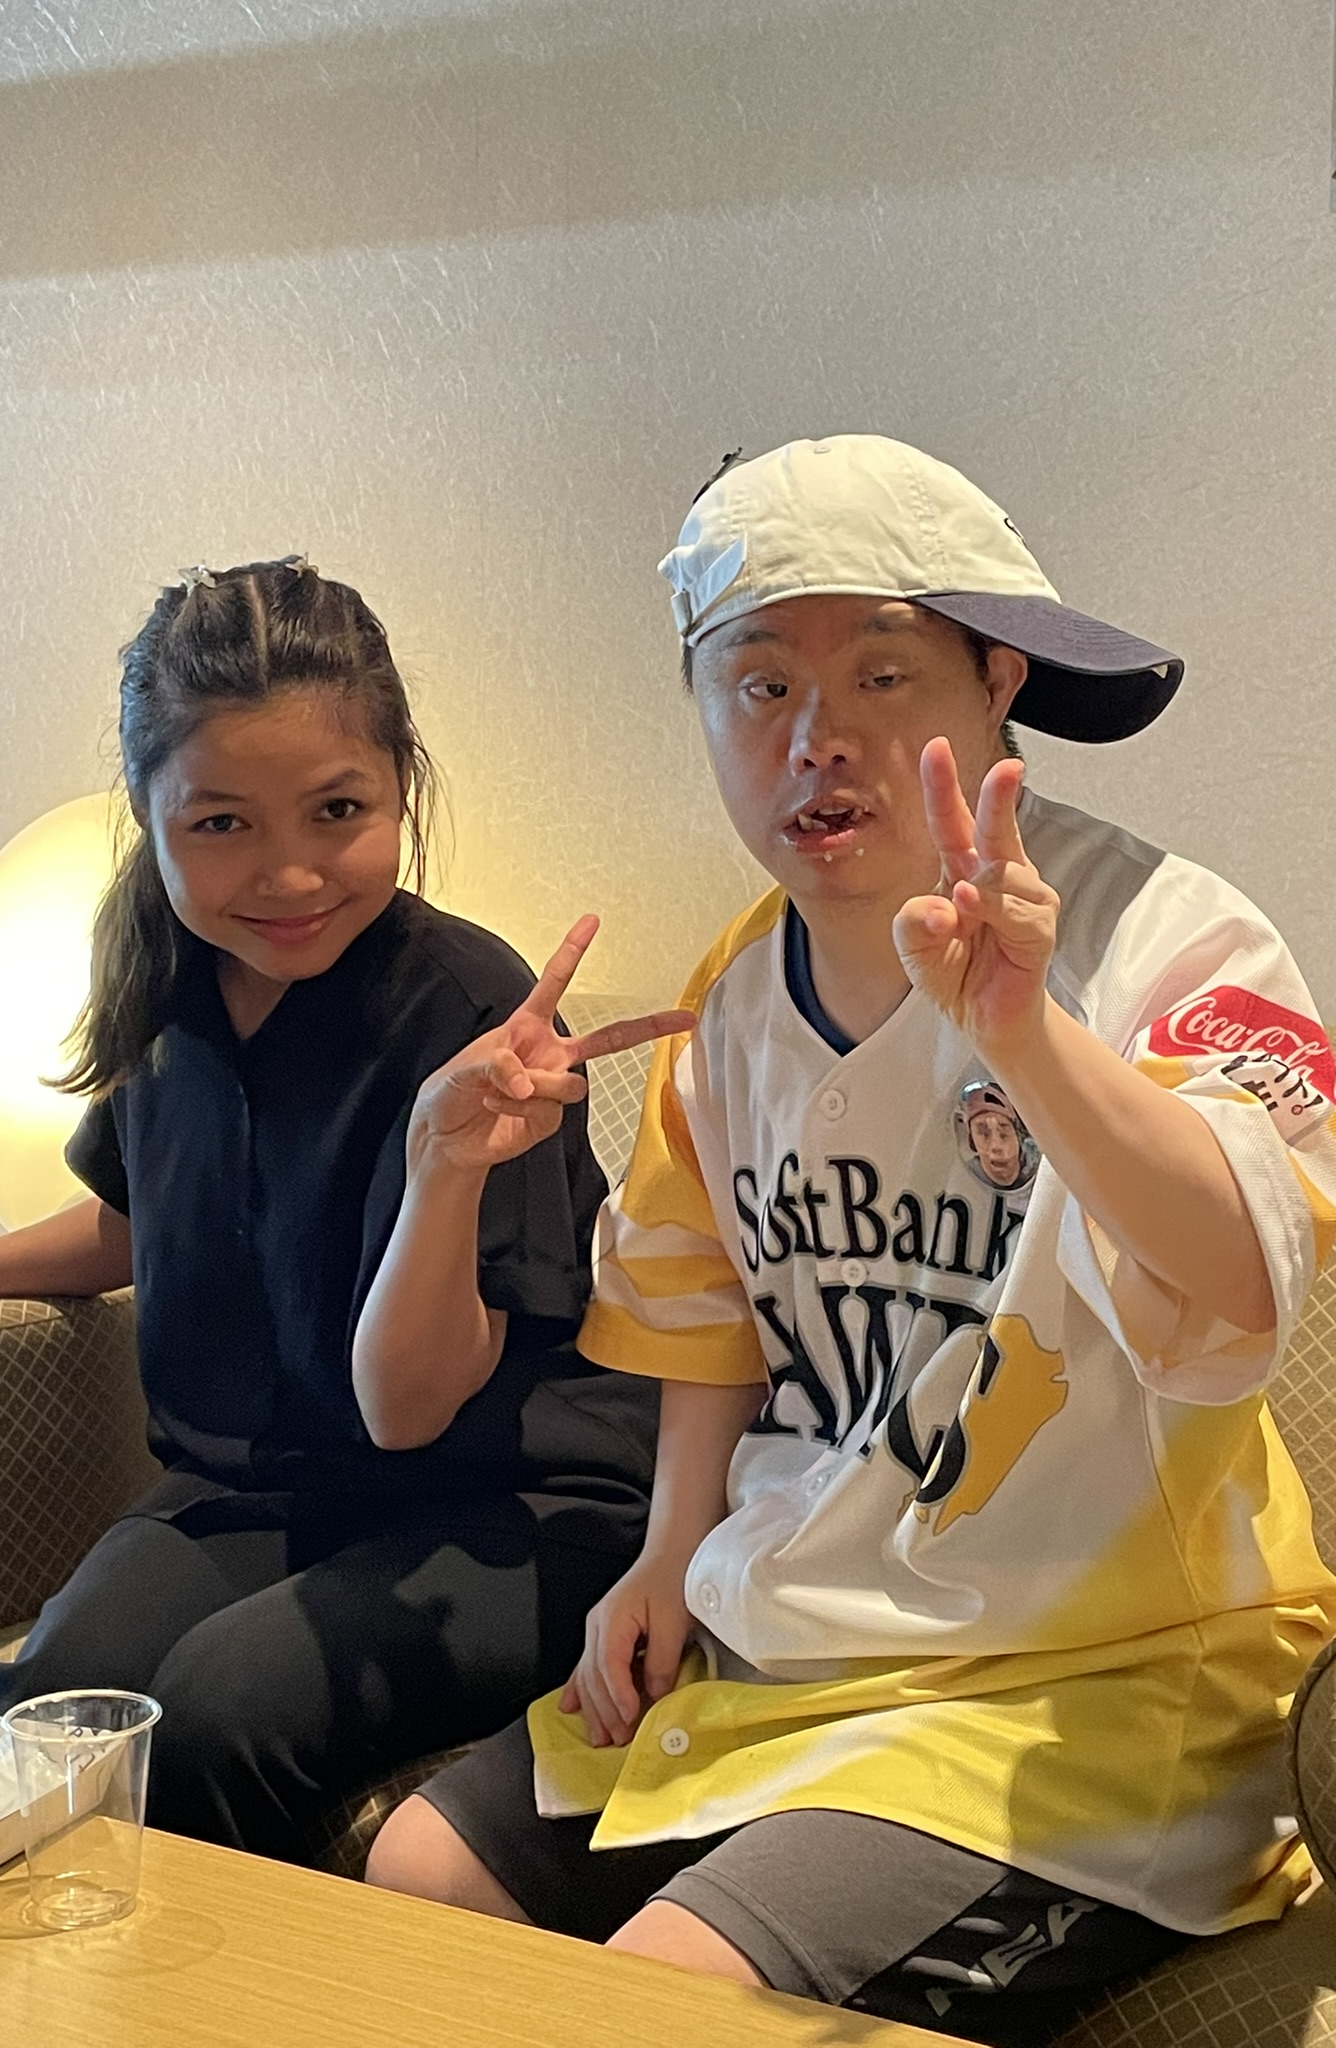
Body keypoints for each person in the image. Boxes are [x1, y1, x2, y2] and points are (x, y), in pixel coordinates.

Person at [366, 438, 1336, 2045]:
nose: (817, 739)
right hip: (799, 1647)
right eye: (759, 688)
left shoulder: (1171, 935)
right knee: (415, 1879)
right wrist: (666, 1557)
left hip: (1089, 1685)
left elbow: (1243, 1282)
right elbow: (708, 1320)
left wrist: (1030, 1040)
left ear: (997, 681)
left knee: (662, 1999)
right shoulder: (733, 998)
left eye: (882, 676)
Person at [0, 557, 681, 1864]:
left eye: (338, 811)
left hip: (512, 1504)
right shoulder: (170, 984)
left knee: (217, 1716)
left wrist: (442, 1167)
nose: (290, 874)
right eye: (221, 824)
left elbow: (417, 1405)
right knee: (50, 1709)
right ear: (147, 815)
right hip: (260, 1488)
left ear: (401, 789)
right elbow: (136, 1219)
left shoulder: (473, 1022)